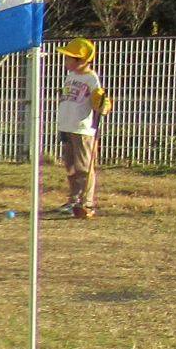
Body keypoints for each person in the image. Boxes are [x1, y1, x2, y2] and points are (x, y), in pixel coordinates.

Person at [55, 37, 107, 218]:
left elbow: (98, 101)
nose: (65, 61)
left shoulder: (91, 78)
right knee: (69, 166)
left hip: (82, 129)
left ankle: (86, 204)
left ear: (81, 60)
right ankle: (73, 200)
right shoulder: (70, 76)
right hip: (66, 126)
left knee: (83, 167)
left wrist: (102, 104)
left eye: (69, 57)